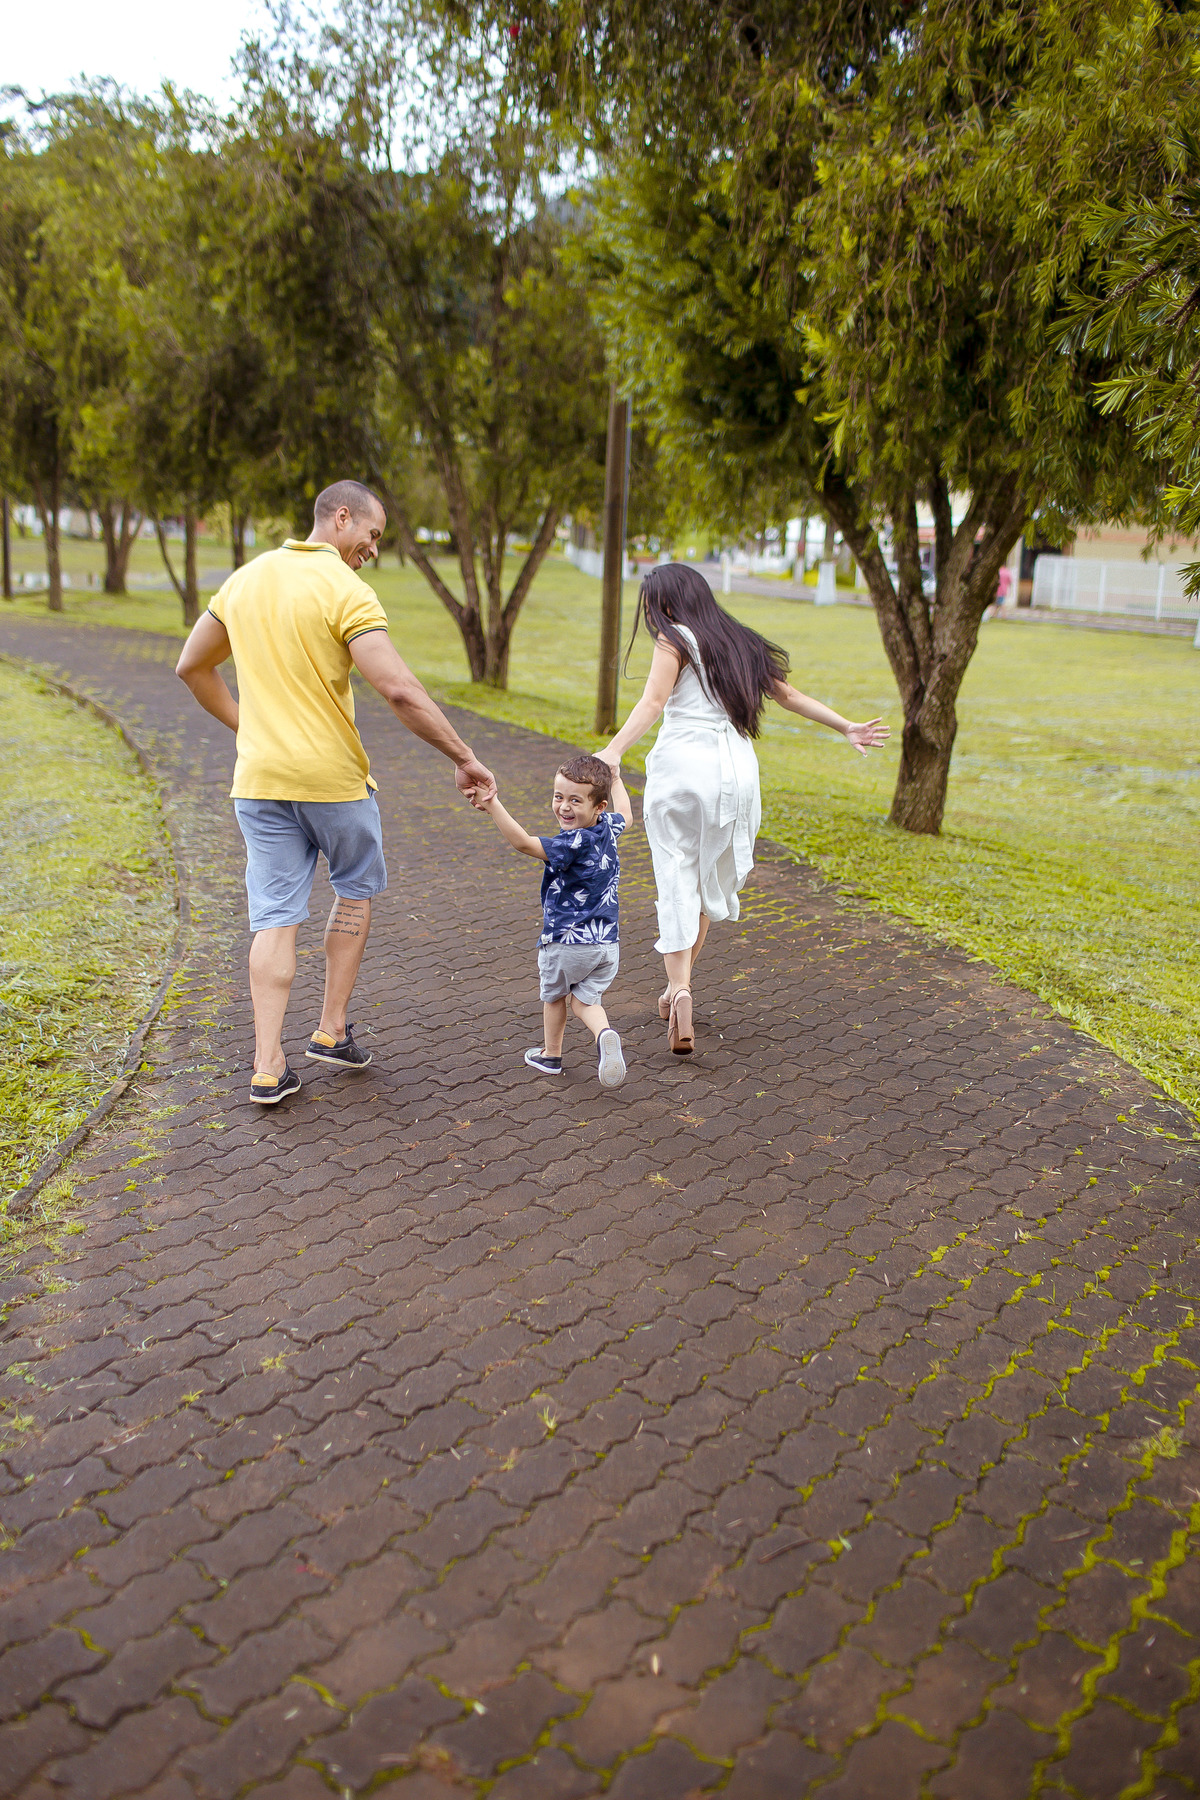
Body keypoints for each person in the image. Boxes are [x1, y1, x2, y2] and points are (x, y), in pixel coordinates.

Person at [175, 479, 496, 1104]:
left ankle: (268, 1066)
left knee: (274, 919)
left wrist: (252, 728)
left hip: (260, 783)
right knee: (353, 890)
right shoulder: (344, 589)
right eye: (372, 534)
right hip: (333, 783)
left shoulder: (245, 580)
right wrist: (464, 756)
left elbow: (192, 666)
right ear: (341, 517)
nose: (373, 548)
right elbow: (398, 689)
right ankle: (331, 1028)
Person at [597, 563, 889, 1054]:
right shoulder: (741, 640)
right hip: (735, 775)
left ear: (666, 602)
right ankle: (676, 989)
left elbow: (652, 702)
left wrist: (614, 751)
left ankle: (680, 988)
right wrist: (846, 726)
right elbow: (789, 696)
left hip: (684, 766)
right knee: (706, 881)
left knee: (676, 876)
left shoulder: (674, 638)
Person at [475, 753, 631, 1088]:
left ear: (598, 806)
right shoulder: (608, 826)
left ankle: (551, 1054)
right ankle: (604, 1033)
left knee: (555, 997)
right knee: (585, 1002)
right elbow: (628, 816)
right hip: (607, 946)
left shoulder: (571, 842)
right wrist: (616, 777)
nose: (564, 807)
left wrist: (492, 805)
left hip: (566, 944)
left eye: (575, 800)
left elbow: (523, 843)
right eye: (559, 797)